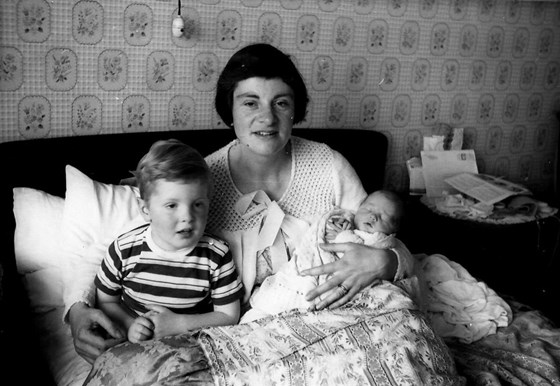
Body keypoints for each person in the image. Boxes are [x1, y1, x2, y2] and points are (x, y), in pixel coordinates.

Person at [65, 43, 414, 363]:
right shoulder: (198, 181)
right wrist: (77, 310)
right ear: (229, 110)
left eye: (281, 102)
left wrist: (387, 260)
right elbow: (110, 247)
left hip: (338, 318)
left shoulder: (329, 165)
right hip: (252, 335)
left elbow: (382, 233)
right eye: (250, 102)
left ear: (296, 111)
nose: (267, 117)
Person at [94, 139, 243, 343]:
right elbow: (105, 301)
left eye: (198, 204)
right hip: (134, 341)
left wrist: (179, 324)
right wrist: (131, 325)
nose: (187, 216)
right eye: (172, 205)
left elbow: (229, 315)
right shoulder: (124, 250)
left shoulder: (216, 255)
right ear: (146, 210)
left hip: (190, 343)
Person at [241, 190, 406, 322]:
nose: (373, 216)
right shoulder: (344, 219)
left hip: (342, 294)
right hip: (300, 273)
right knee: (262, 311)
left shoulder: (378, 239)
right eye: (369, 209)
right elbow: (319, 238)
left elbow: (365, 254)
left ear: (392, 232)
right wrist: (334, 226)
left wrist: (344, 236)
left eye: (384, 217)